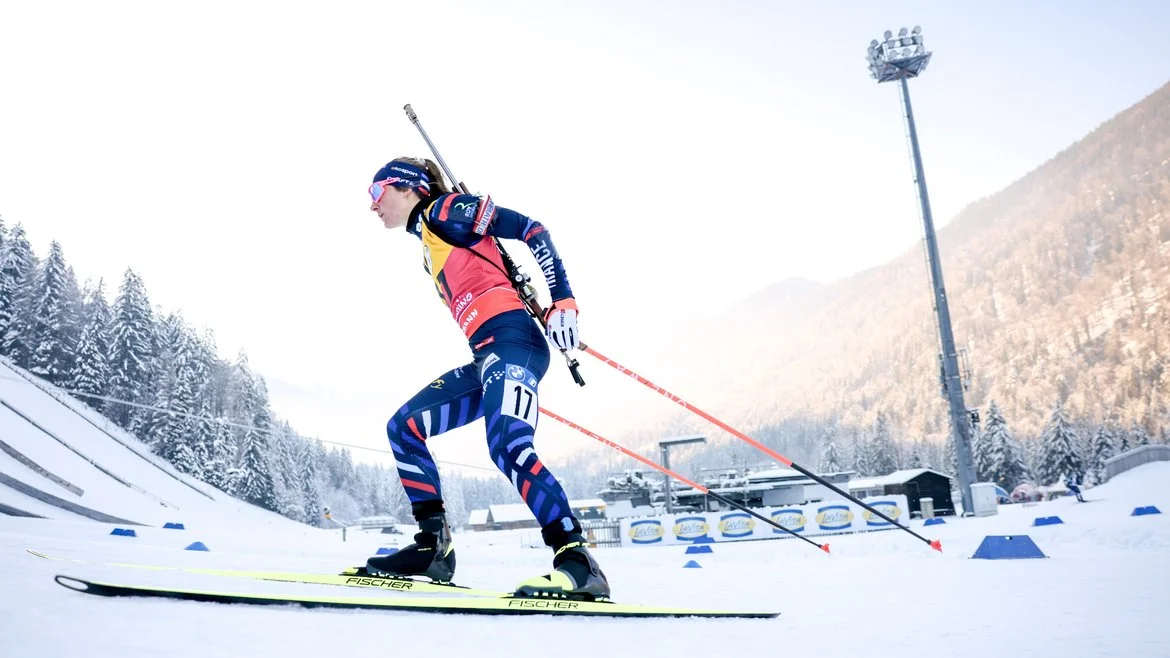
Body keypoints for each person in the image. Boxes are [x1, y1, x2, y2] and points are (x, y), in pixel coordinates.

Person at [362, 157, 609, 600]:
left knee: (508, 445)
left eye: (377, 194)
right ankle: (433, 547)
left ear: (407, 188)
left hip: (515, 344)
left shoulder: (444, 211)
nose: (373, 206)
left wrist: (563, 301)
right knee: (405, 427)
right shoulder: (428, 241)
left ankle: (577, 562)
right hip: (487, 356)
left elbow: (533, 229)